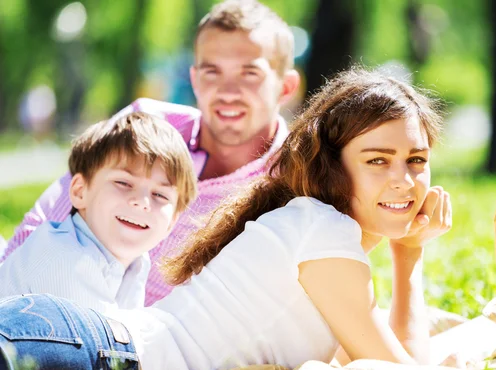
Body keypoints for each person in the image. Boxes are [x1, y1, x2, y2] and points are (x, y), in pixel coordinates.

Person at [0, 68, 452, 370]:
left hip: (77, 344)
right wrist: (407, 257)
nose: (403, 180)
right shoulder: (323, 231)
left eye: (416, 160)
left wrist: (407, 253)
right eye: (377, 160)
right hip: (90, 351)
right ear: (332, 165)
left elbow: (392, 366)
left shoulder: (314, 228)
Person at [0, 0, 301, 306]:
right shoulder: (145, 125)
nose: (227, 91)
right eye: (212, 72)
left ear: (286, 87)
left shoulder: (294, 182)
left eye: (249, 73)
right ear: (195, 79)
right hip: (60, 305)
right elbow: (46, 221)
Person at [0, 112, 197, 313]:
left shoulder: (135, 262)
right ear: (80, 191)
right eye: (123, 183)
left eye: (160, 195)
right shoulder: (64, 257)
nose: (142, 202)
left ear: (172, 221)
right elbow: (108, 342)